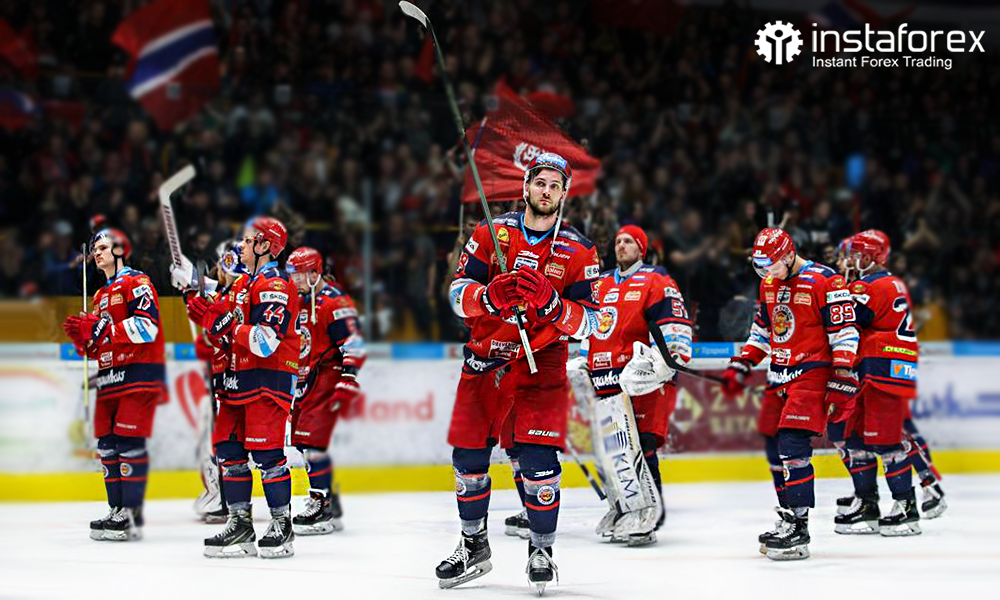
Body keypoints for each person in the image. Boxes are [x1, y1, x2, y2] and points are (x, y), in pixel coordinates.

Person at [436, 153, 602, 594]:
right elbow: (456, 294)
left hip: (540, 363)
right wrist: (487, 297)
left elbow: (592, 323)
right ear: (526, 187)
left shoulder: (579, 250)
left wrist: (553, 306)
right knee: (468, 458)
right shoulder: (491, 232)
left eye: (555, 185)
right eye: (540, 182)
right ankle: (473, 546)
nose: (546, 191)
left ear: (564, 194)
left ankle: (541, 550)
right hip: (485, 357)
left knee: (538, 462)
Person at [720, 228, 859, 561]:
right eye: (761, 267)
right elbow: (762, 331)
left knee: (792, 442)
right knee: (773, 444)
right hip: (780, 374)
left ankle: (799, 526)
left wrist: (842, 375)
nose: (767, 273)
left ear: (788, 254)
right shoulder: (769, 283)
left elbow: (845, 332)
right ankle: (789, 515)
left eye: (772, 265)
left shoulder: (826, 280)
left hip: (813, 371)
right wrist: (741, 364)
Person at [189, 217, 301, 559]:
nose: (241, 245)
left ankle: (282, 524)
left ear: (266, 245)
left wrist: (227, 326)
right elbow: (220, 319)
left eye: (249, 240)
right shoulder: (242, 284)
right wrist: (200, 305)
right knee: (228, 450)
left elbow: (265, 342)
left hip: (268, 380)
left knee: (267, 454)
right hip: (236, 381)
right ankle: (239, 523)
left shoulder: (276, 284)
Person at [577, 224, 692, 545]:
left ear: (642, 248)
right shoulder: (600, 284)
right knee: (612, 450)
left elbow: (676, 328)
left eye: (628, 241)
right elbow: (592, 328)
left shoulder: (656, 280)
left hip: (640, 382)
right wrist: (583, 361)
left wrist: (665, 363)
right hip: (604, 380)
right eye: (618, 241)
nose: (621, 246)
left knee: (643, 445)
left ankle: (648, 514)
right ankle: (624, 509)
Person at [833, 230, 944, 536]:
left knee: (884, 439)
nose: (852, 260)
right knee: (856, 437)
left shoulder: (867, 286)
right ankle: (868, 503)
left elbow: (847, 322)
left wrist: (834, 294)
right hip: (890, 364)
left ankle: (905, 507)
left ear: (873, 257)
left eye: (858, 255)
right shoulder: (893, 283)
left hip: (879, 366)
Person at [63, 228, 166, 542]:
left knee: (127, 442)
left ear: (121, 250)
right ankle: (116, 509)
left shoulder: (138, 281)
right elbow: (101, 343)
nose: (97, 252)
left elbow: (147, 327)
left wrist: (103, 329)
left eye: (104, 247)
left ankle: (130, 514)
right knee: (107, 445)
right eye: (95, 248)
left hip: (137, 373)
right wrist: (87, 341)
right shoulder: (99, 295)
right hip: (109, 376)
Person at [286, 246, 366, 534]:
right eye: (291, 275)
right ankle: (326, 499)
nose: (294, 280)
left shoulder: (334, 301)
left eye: (299, 275)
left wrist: (348, 378)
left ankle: (322, 505)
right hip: (305, 381)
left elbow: (353, 343)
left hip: (327, 378)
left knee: (314, 442)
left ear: (314, 273)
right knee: (303, 442)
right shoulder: (297, 301)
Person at [173, 240, 249, 524]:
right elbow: (209, 296)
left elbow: (222, 310)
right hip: (222, 376)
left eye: (230, 262)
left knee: (225, 440)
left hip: (238, 377)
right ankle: (223, 496)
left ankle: (226, 498)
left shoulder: (240, 293)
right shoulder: (225, 292)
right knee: (216, 438)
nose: (224, 268)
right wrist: (190, 287)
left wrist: (193, 285)